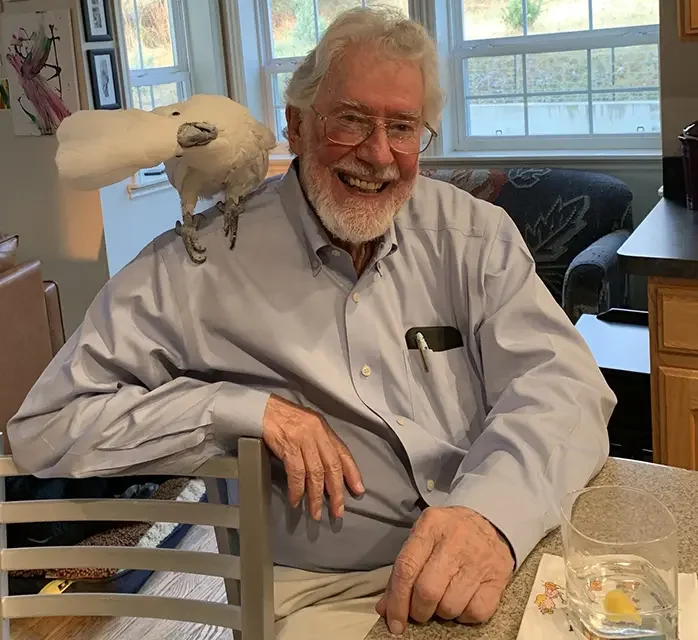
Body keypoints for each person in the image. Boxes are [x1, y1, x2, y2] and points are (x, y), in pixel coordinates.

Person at [7, 6, 616, 638]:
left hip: (499, 544)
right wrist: (234, 409)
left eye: (402, 127)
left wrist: (489, 515)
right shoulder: (196, 265)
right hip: (325, 594)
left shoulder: (474, 237)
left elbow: (565, 387)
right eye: (350, 120)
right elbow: (47, 425)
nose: (377, 154)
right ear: (296, 126)